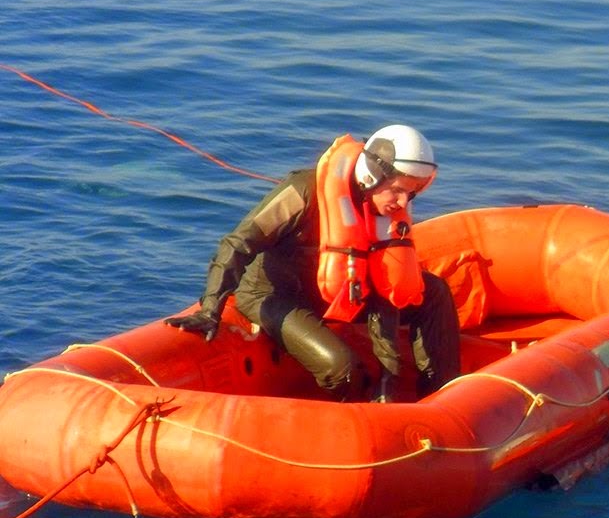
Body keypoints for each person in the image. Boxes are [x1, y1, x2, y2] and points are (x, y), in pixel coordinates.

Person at [164, 125, 461, 402]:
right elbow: (239, 243)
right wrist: (210, 309)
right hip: (274, 296)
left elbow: (386, 291)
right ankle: (352, 421)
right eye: (397, 189)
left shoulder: (384, 215)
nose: (402, 201)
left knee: (433, 292)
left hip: (336, 294)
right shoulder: (301, 192)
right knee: (343, 369)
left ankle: (441, 396)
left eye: (411, 192)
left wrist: (389, 377)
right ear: (373, 176)